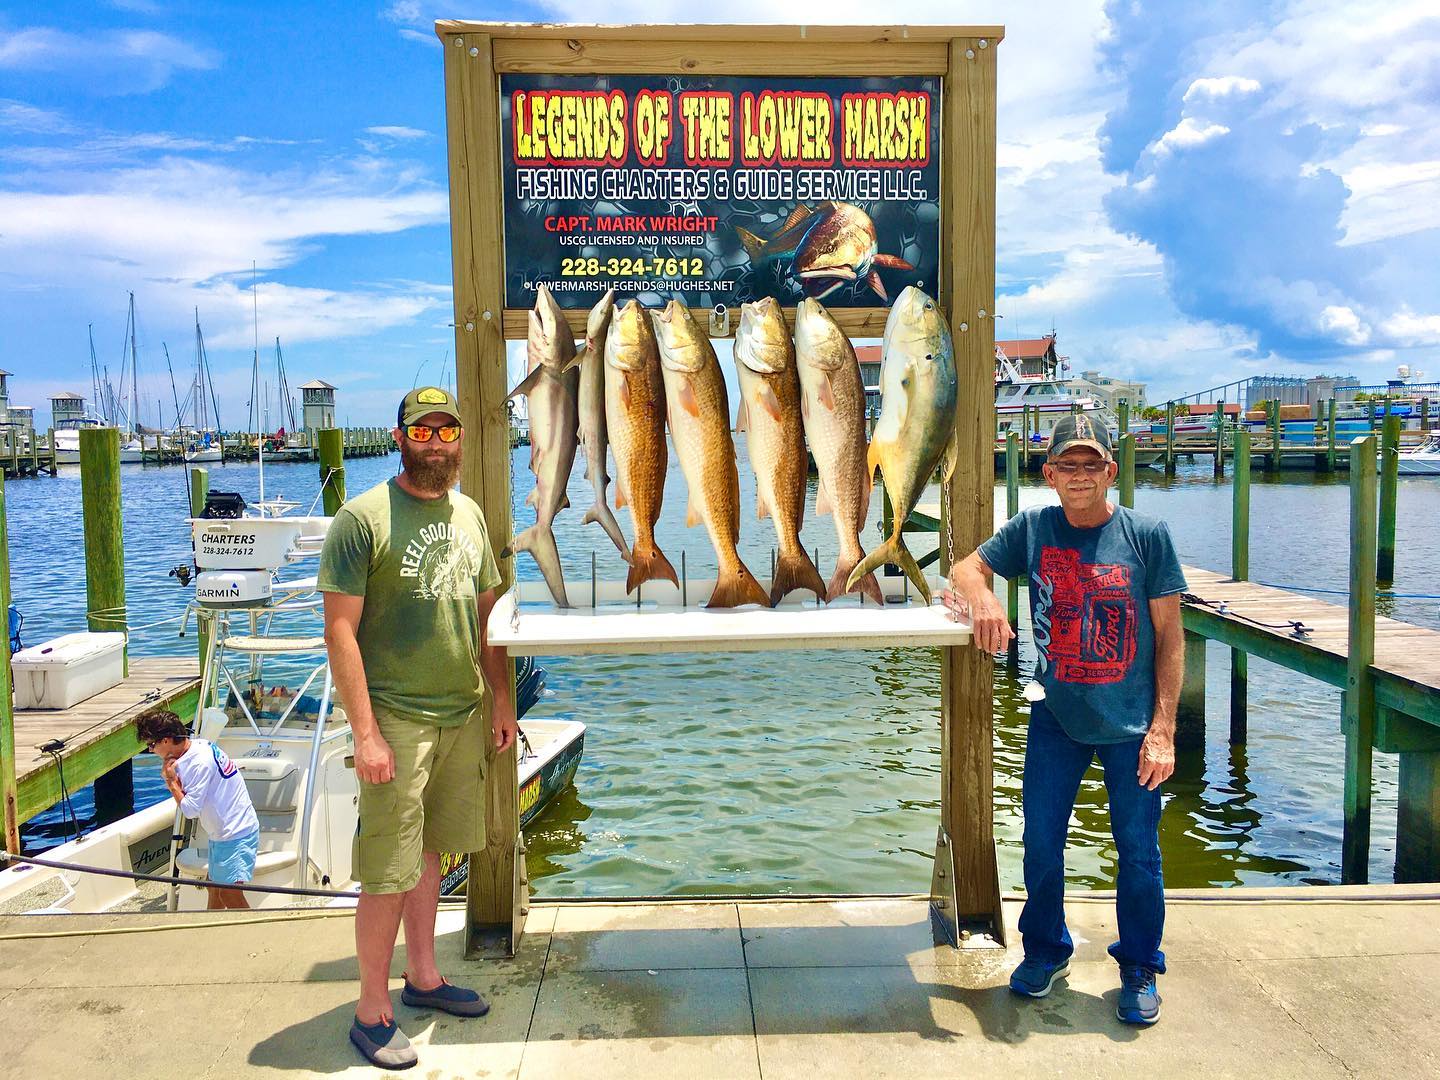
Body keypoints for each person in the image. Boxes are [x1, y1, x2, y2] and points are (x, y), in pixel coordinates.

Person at [942, 413, 1185, 1026]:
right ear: (1048, 474)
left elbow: (1171, 638)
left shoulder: (1147, 535)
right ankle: (1048, 950)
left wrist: (1163, 730)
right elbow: (965, 568)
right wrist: (987, 597)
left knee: (1139, 852)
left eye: (1091, 464)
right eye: (1067, 465)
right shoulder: (1034, 528)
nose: (1080, 476)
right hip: (1055, 718)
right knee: (1042, 844)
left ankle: (1138, 966)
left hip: (1132, 727)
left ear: (1110, 470)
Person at [318, 386, 517, 1071]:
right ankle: (369, 1011)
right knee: (386, 871)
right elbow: (339, 632)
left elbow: (490, 616)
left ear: (461, 440)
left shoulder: (469, 514)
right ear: (399, 437)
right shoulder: (361, 519)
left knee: (432, 856)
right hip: (396, 720)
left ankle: (424, 977)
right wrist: (365, 733)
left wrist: (501, 700)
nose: (435, 442)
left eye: (446, 431)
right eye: (422, 431)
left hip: (462, 713)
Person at [136, 708, 259, 910]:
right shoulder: (200, 746)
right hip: (224, 833)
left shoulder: (197, 763)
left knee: (229, 894)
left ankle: (255, 937)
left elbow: (191, 810)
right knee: (213, 887)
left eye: (151, 744)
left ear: (166, 740)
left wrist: (171, 782)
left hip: (235, 833)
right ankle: (208, 928)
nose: (150, 750)